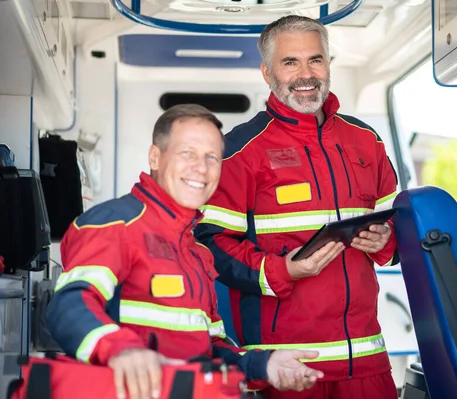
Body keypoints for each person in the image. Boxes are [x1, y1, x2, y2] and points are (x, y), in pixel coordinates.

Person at [45, 104, 325, 399]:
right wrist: (121, 350)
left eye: (212, 157)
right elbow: (68, 304)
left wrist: (264, 366)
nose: (201, 168)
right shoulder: (116, 223)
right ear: (155, 157)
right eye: (187, 153)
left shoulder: (197, 252)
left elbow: (209, 350)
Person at [193, 15, 400, 399]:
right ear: (267, 72)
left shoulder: (366, 141)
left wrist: (386, 242)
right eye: (291, 63)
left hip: (367, 361)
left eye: (315, 60)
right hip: (286, 363)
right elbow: (210, 247)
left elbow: (399, 229)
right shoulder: (239, 151)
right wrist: (282, 270)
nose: (306, 74)